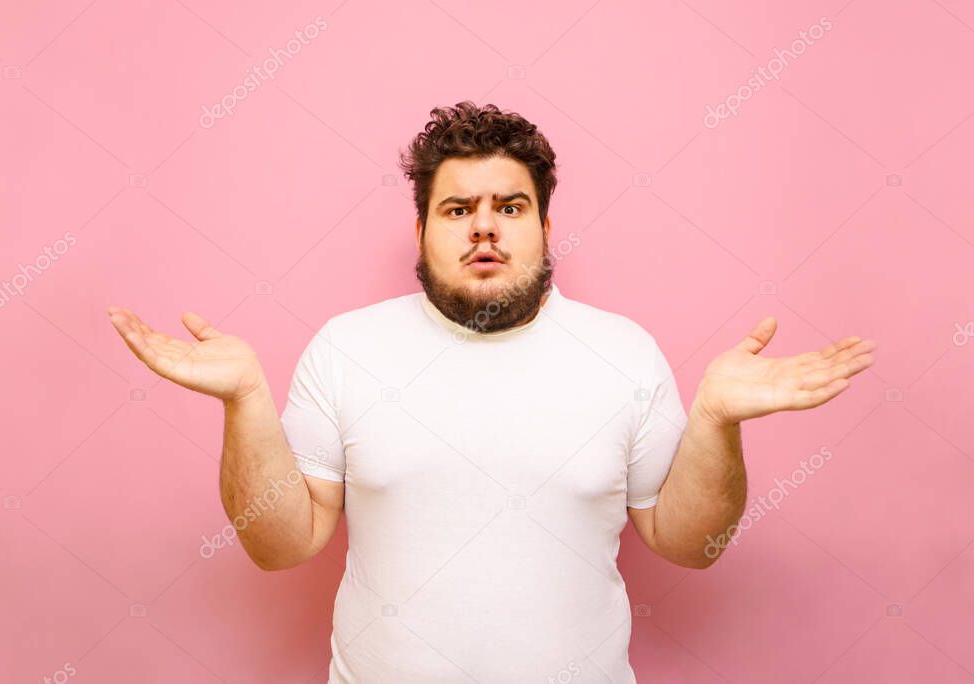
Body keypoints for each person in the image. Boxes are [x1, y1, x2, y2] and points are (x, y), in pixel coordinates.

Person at [107, 101, 876, 683]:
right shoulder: (348, 348)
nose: (485, 228)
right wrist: (244, 401)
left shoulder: (623, 354)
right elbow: (282, 546)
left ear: (544, 225)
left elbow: (690, 545)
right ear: (422, 232)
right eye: (457, 209)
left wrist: (716, 420)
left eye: (509, 208)